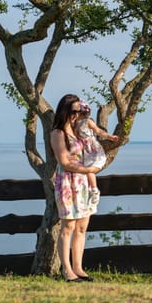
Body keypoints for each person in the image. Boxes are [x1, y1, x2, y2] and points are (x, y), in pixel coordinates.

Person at [50, 94, 100, 282]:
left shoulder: (78, 131)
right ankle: (66, 270)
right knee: (68, 226)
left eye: (79, 111)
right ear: (65, 111)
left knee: (81, 227)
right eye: (73, 111)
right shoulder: (57, 133)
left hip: (83, 182)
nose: (76, 115)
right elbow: (64, 162)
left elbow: (90, 146)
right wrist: (89, 169)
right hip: (67, 183)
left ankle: (78, 268)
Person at [75, 99, 119, 208]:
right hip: (81, 150)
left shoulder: (88, 121)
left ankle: (94, 190)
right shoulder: (73, 123)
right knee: (85, 171)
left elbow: (98, 131)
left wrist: (110, 136)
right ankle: (88, 191)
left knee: (89, 170)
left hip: (91, 148)